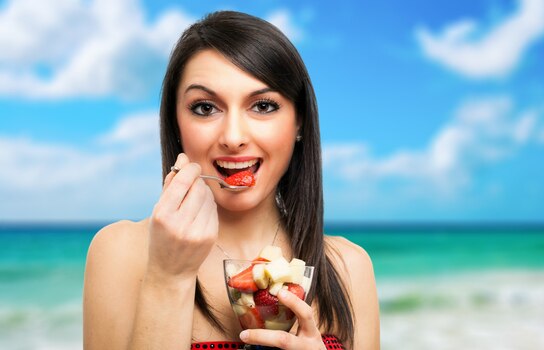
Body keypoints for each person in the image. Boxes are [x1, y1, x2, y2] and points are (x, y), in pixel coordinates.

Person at [83, 10, 379, 350]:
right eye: (206, 108)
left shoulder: (350, 268)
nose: (234, 137)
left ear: (299, 123)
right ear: (176, 124)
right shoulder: (120, 253)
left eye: (264, 106)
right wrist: (169, 278)